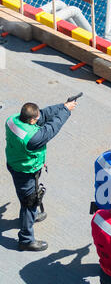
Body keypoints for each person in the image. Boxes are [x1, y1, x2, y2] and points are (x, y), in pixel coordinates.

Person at [5, 99, 77, 251]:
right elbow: (52, 128)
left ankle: (30, 216)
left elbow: (43, 115)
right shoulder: (33, 138)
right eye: (36, 119)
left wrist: (62, 106)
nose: (39, 119)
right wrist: (66, 111)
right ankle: (26, 239)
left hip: (15, 163)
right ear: (31, 120)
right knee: (29, 202)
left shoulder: (12, 120)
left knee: (26, 197)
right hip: (26, 172)